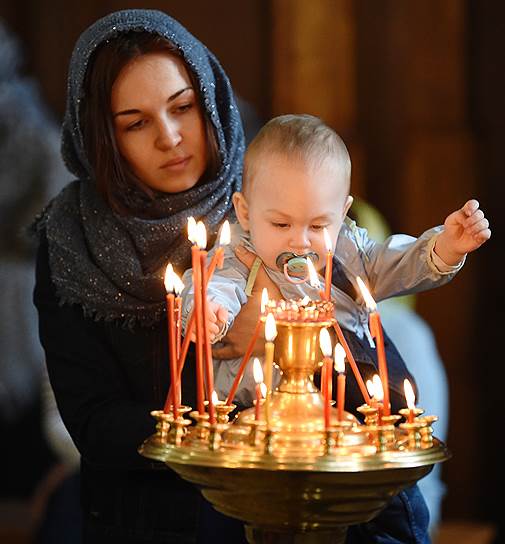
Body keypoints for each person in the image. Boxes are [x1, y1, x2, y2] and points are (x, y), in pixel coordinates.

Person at [32, 9, 250, 544]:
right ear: (101, 138)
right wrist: (216, 430)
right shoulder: (71, 239)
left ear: (212, 101)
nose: (171, 138)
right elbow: (94, 422)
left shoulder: (273, 208)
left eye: (184, 107)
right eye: (136, 123)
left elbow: (360, 378)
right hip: (143, 523)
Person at [181, 114, 490, 416]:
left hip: (339, 402)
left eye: (317, 226)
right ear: (245, 212)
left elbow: (393, 264)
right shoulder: (239, 253)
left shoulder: (347, 253)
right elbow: (214, 285)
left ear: (342, 213)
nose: (299, 241)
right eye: (280, 224)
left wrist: (444, 247)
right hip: (253, 407)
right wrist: (208, 309)